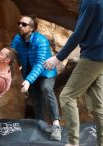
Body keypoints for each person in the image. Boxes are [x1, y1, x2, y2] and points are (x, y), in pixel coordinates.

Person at [44, 0, 103, 145]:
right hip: (99, 57)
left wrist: (58, 58)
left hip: (92, 57)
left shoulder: (90, 2)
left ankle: (73, 142)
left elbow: (79, 33)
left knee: (67, 96)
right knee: (97, 106)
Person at [11, 15, 61, 141]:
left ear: (32, 28)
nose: (20, 26)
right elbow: (11, 54)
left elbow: (39, 64)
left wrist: (28, 80)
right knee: (36, 100)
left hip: (46, 72)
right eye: (19, 23)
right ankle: (40, 125)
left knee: (46, 89)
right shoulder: (17, 39)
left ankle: (56, 125)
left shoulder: (41, 40)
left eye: (24, 24)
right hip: (29, 72)